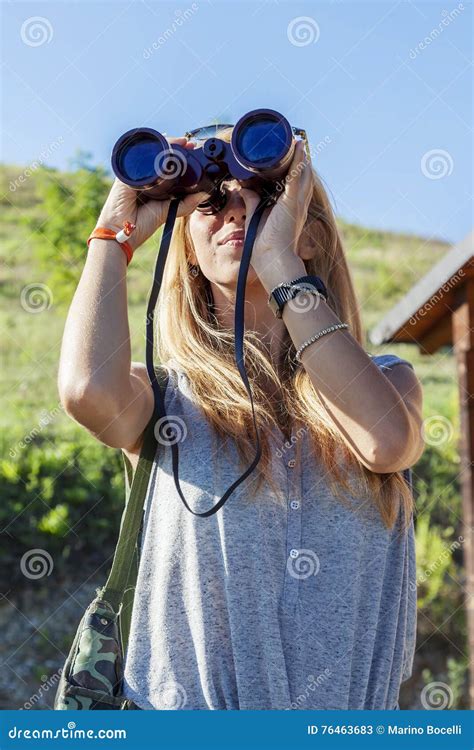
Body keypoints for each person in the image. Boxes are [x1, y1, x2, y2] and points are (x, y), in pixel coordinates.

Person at [58, 129, 424, 710]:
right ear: (190, 251)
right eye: (208, 200)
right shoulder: (164, 401)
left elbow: (383, 442)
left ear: (308, 231)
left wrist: (278, 260)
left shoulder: (386, 383)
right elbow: (84, 391)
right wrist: (111, 237)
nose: (231, 207)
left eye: (260, 191)